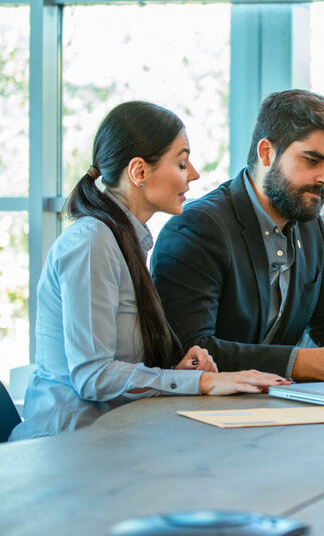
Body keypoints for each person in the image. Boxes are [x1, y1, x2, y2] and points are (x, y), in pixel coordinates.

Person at [11, 102, 288, 440]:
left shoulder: (123, 240)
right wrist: (196, 382)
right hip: (71, 444)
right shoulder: (91, 241)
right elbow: (92, 376)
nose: (194, 174)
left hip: (115, 438)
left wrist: (178, 372)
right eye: (182, 162)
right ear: (139, 172)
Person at [151, 90, 324, 381]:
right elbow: (190, 350)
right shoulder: (198, 227)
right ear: (266, 152)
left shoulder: (309, 225)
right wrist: (307, 363)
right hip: (204, 413)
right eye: (312, 161)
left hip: (275, 405)